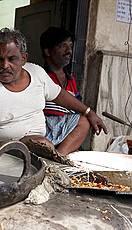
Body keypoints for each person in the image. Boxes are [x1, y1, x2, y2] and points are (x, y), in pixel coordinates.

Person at [40, 27, 91, 155]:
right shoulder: (40, 76)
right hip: (44, 131)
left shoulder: (71, 80)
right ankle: (57, 159)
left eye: (70, 46)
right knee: (84, 122)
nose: (69, 51)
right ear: (48, 51)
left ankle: (59, 157)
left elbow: (77, 109)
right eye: (63, 46)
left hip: (64, 132)